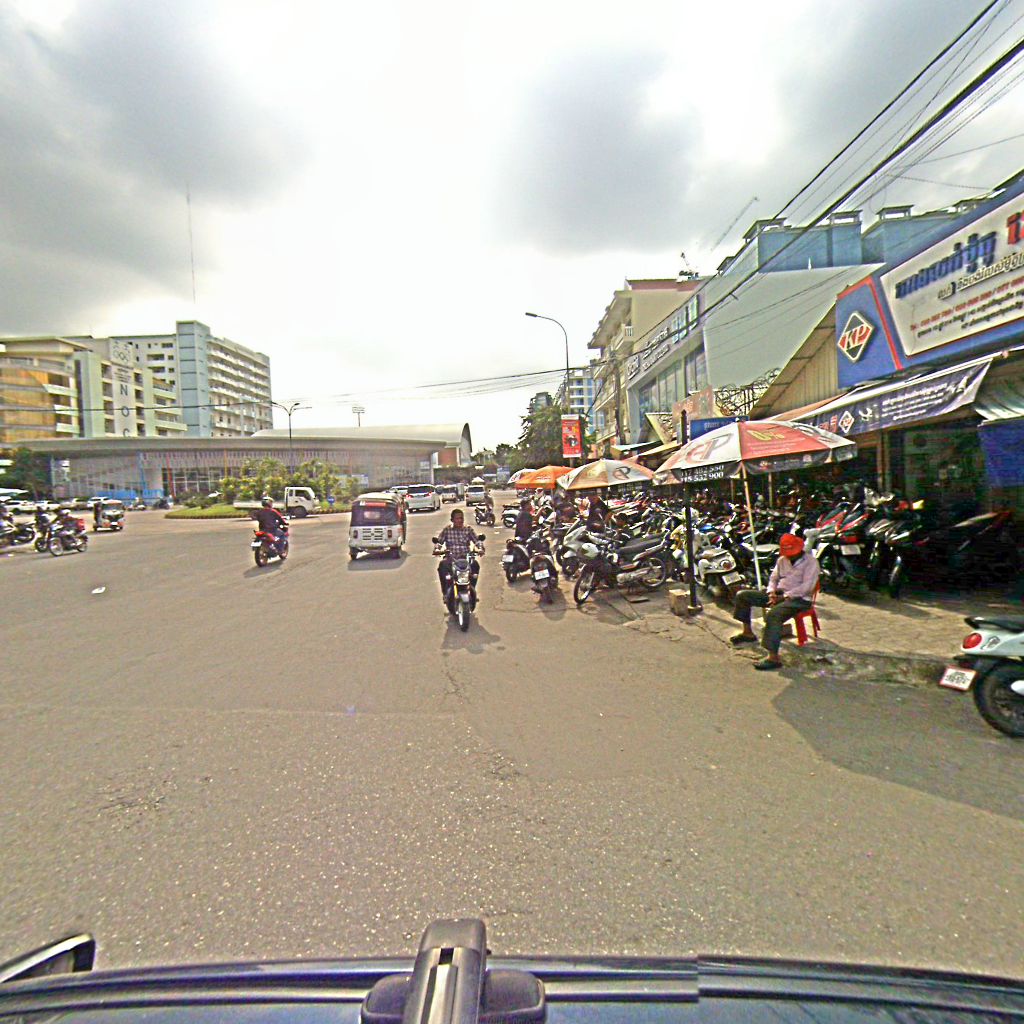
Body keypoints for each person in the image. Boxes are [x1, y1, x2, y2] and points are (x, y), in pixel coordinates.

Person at [730, 533, 820, 671]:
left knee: (774, 614)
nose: (789, 556)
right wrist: (771, 592)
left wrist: (784, 596)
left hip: (800, 599)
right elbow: (774, 578)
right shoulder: (782, 560)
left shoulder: (811, 562)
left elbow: (807, 587)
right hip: (779, 593)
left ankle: (773, 658)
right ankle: (748, 633)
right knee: (742, 596)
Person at [436, 508, 482, 603]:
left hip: (465, 558)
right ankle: (445, 593)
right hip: (451, 559)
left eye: (461, 518)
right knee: (442, 566)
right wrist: (437, 549)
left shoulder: (468, 529)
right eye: (457, 518)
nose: (460, 520)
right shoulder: (447, 530)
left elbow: (477, 541)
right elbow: (439, 542)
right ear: (452, 520)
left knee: (475, 565)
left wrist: (480, 549)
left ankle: (472, 590)